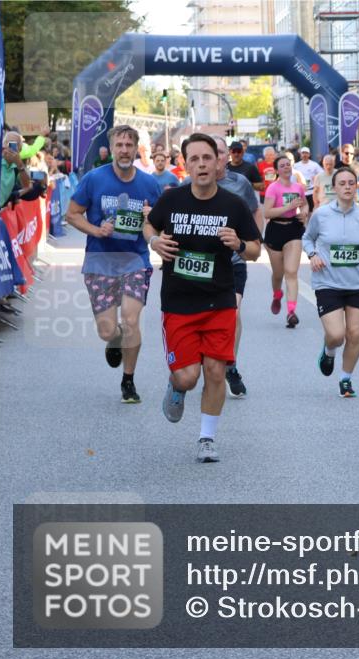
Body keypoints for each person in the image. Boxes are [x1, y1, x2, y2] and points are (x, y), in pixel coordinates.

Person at [144, 133, 261, 463]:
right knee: (188, 375)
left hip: (219, 302)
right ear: (185, 165)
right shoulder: (172, 201)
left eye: (206, 158)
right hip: (179, 303)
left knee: (214, 370)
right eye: (193, 159)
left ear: (218, 161)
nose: (201, 164)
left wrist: (238, 244)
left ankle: (207, 438)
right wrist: (155, 243)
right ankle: (177, 385)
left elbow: (255, 250)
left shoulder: (233, 205)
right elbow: (148, 227)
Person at [65, 125, 162, 403]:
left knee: (131, 320)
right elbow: (73, 214)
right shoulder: (95, 179)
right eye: (119, 145)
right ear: (111, 148)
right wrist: (97, 231)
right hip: (100, 261)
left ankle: (128, 381)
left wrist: (151, 217)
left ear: (135, 149)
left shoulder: (148, 184)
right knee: (107, 330)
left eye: (129, 145)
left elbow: (159, 222)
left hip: (135, 260)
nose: (123, 150)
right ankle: (114, 338)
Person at [182, 135, 264, 398]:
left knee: (234, 313)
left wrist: (253, 240)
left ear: (226, 156)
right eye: (207, 153)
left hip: (233, 262)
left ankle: (230, 364)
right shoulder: (188, 184)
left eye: (218, 152)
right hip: (199, 264)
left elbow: (255, 211)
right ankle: (190, 367)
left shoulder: (239, 183)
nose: (213, 158)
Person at [303, 166, 359, 398]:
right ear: (334, 188)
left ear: (356, 186)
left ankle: (346, 379)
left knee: (355, 335)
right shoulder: (322, 214)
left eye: (351, 183)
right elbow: (307, 238)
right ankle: (329, 350)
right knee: (337, 335)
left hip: (358, 284)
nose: (347, 187)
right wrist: (312, 255)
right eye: (342, 183)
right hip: (328, 283)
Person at [263, 155, 308, 327]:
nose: (286, 167)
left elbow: (305, 204)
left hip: (293, 229)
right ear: (277, 170)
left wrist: (303, 212)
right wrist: (288, 207)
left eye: (288, 164)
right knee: (278, 274)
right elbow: (267, 213)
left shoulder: (298, 187)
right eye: (282, 165)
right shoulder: (273, 189)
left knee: (291, 271)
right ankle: (277, 294)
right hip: (276, 229)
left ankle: (291, 312)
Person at [0, 131, 32, 210]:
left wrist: (19, 163)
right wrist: (0, 155)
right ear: (3, 144)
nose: (10, 147)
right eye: (7, 143)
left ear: (19, 149)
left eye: (14, 144)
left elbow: (27, 186)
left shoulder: (16, 167)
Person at [293, 147, 325, 211]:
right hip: (300, 192)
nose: (305, 155)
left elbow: (323, 173)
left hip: (311, 192)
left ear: (309, 155)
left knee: (311, 210)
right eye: (303, 153)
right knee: (300, 211)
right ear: (300, 154)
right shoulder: (296, 165)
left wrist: (316, 177)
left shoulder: (314, 164)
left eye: (306, 153)